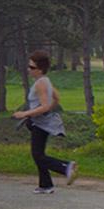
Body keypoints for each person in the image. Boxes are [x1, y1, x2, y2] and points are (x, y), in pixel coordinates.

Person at [12, 50, 76, 194]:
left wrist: (25, 113)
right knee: (38, 153)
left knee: (38, 155)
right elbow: (56, 98)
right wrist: (43, 113)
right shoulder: (46, 81)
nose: (29, 70)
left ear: (40, 69)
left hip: (40, 124)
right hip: (40, 121)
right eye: (28, 67)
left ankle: (66, 167)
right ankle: (45, 184)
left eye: (32, 68)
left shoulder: (40, 83)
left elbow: (45, 106)